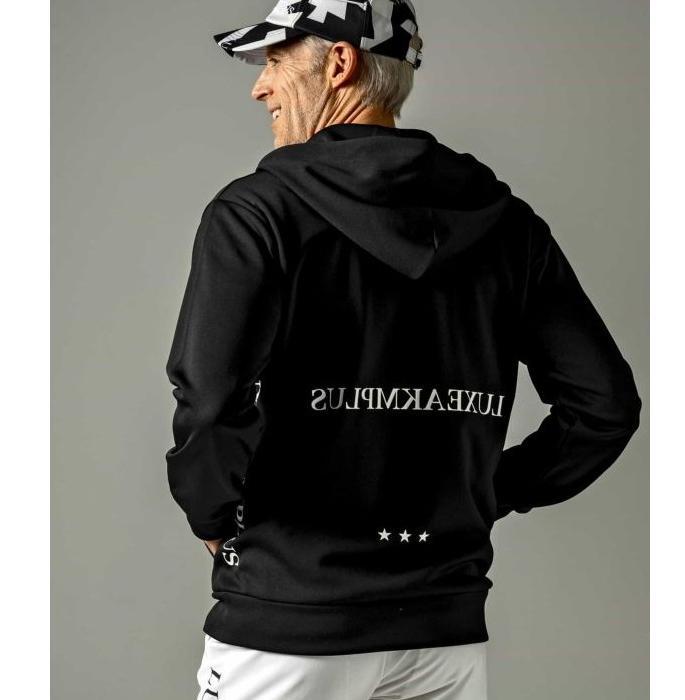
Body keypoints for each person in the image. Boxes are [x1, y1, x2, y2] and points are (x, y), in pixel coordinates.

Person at [164, 2, 642, 698]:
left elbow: (211, 402)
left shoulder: (258, 213)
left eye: (274, 60)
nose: (259, 88)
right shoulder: (508, 228)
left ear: (339, 61)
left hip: (292, 623)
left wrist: (213, 514)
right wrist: (487, 492)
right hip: (442, 633)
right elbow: (605, 406)